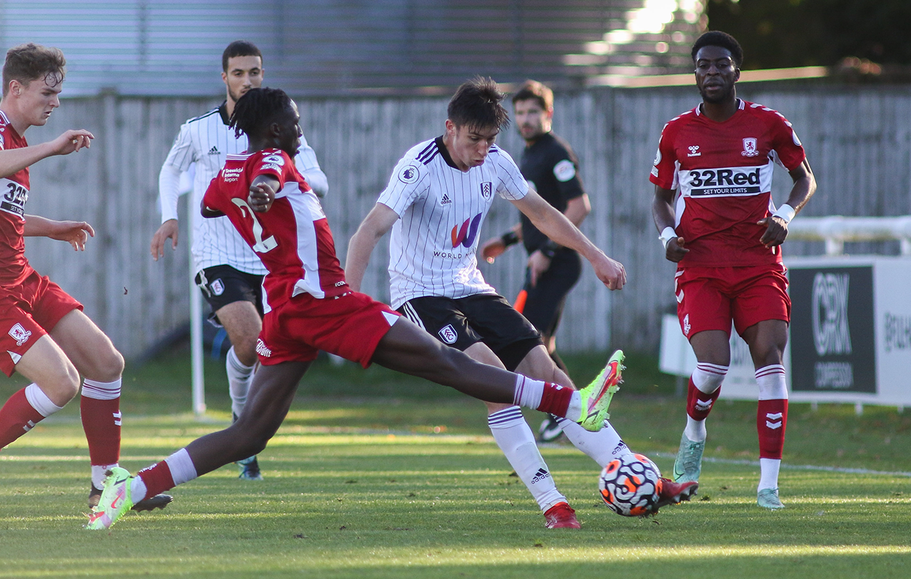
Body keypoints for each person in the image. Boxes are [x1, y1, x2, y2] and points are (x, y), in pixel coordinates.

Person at [86, 87, 624, 531]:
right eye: (294, 122)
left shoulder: (226, 172)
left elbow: (211, 199)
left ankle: (129, 488)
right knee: (451, 364)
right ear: (275, 130)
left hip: (286, 307)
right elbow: (267, 175)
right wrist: (268, 189)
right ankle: (575, 405)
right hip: (329, 303)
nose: (300, 130)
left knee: (249, 434)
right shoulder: (274, 161)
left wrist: (254, 194)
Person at [345, 77, 697, 528]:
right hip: (421, 294)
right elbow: (368, 231)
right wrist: (348, 305)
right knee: (494, 379)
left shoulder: (496, 161)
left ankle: (636, 475)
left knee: (549, 373)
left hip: (471, 286)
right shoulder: (418, 166)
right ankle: (553, 503)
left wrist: (596, 256)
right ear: (450, 127)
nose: (481, 150)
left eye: (490, 140)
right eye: (474, 140)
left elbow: (544, 213)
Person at [0, 43, 169, 515]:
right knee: (62, 383)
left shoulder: (18, 144)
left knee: (106, 363)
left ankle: (105, 486)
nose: (56, 102)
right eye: (48, 92)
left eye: (59, 93)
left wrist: (54, 227)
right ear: (15, 88)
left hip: (20, 277)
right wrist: (52, 148)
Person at [650, 31, 816, 510]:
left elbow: (804, 177)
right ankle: (694, 430)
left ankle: (768, 487)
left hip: (758, 264)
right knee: (713, 364)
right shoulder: (676, 132)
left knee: (770, 360)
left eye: (721, 64)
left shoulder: (768, 124)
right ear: (695, 73)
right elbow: (660, 199)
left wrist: (783, 216)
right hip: (701, 266)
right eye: (703, 66)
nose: (712, 73)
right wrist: (667, 238)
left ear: (736, 71)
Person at [149, 41, 328, 481]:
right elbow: (171, 170)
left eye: (255, 72)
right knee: (248, 342)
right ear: (224, 77)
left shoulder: (280, 125)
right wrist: (169, 216)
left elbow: (319, 179)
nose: (248, 80)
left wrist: (281, 178)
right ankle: (241, 424)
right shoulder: (199, 129)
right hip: (217, 254)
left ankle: (244, 427)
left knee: (266, 349)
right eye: (239, 73)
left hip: (271, 257)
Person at [480, 79, 589, 443]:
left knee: (530, 340)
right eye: (521, 112)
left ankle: (568, 410)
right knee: (545, 342)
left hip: (558, 263)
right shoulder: (528, 154)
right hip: (541, 261)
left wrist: (548, 251)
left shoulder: (555, 152)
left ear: (549, 115)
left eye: (533, 112)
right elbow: (538, 216)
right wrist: (509, 239)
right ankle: (572, 409)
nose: (526, 119)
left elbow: (577, 207)